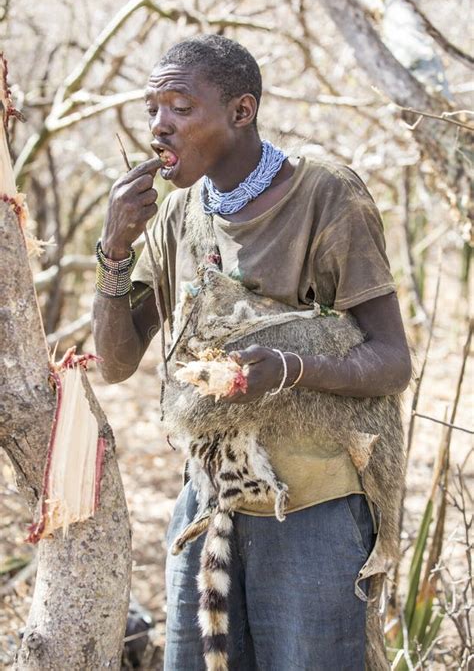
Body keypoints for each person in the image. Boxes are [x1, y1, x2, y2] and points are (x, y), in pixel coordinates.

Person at [92, 35, 411, 671]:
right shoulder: (181, 215)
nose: (159, 126)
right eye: (152, 108)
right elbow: (116, 363)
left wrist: (293, 367)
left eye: (179, 106)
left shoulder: (325, 194)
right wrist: (115, 250)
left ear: (242, 111)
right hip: (207, 502)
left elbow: (393, 360)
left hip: (312, 505)